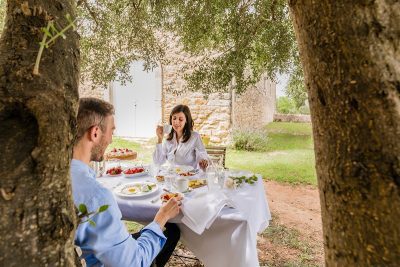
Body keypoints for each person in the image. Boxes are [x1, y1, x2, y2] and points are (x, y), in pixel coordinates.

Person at [71, 97, 182, 267]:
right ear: (95, 133)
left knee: (171, 230)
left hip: (95, 253)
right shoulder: (97, 197)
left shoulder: (55, 179)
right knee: (170, 229)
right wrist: (162, 216)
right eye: (112, 131)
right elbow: (134, 263)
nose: (111, 139)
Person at [153, 104, 209, 169]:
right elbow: (158, 162)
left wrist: (203, 160)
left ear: (186, 120)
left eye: (180, 119)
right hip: (172, 177)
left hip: (189, 177)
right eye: (174, 118)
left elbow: (202, 153)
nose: (176, 122)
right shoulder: (169, 139)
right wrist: (159, 139)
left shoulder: (194, 136)